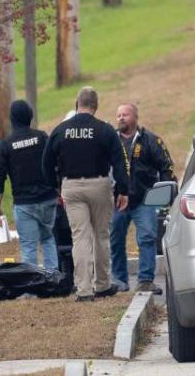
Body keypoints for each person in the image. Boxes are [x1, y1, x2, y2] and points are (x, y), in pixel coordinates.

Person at [43, 87, 130, 302]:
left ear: (77, 104)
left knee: (79, 236)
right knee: (101, 235)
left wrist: (55, 187)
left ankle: (83, 289)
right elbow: (120, 162)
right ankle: (102, 284)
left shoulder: (60, 130)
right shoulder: (105, 130)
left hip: (71, 187)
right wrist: (123, 190)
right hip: (99, 185)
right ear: (96, 105)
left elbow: (46, 163)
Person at [110, 104, 175, 294]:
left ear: (136, 117)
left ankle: (146, 280)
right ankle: (119, 281)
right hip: (117, 202)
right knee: (116, 239)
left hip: (145, 200)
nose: (121, 118)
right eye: (118, 115)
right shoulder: (111, 141)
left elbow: (166, 167)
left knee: (147, 237)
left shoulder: (151, 140)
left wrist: (165, 194)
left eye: (125, 114)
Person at [0, 100, 58, 270]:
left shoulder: (5, 145)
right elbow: (55, 164)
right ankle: (52, 280)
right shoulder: (42, 137)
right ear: (30, 117)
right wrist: (58, 190)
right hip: (48, 199)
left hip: (24, 204)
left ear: (11, 119)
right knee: (48, 239)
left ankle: (32, 286)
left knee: (29, 246)